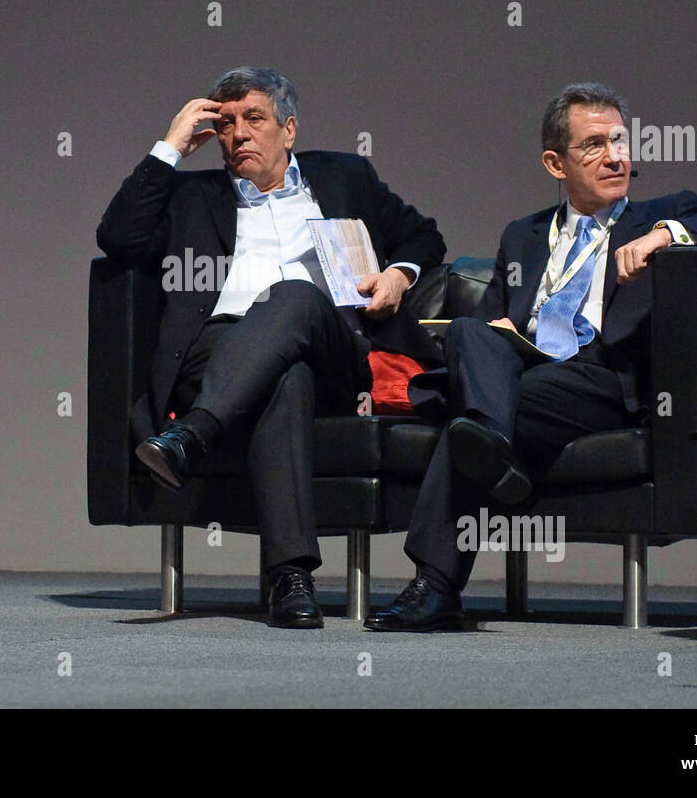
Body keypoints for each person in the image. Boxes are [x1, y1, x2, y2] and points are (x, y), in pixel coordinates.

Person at [364, 82, 697, 631]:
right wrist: (498, 329)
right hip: (525, 372)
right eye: (594, 144)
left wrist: (665, 236)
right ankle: (490, 439)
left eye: (620, 141)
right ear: (556, 163)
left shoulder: (663, 212)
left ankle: (437, 581)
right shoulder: (522, 235)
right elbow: (497, 325)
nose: (615, 156)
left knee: (471, 421)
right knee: (468, 335)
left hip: (600, 376)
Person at [97, 67, 444, 628]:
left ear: (289, 129)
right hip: (217, 351)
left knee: (294, 296)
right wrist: (170, 146)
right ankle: (291, 578)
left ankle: (193, 435)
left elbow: (423, 234)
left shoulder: (345, 176)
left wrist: (399, 275)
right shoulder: (192, 195)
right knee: (286, 379)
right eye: (226, 123)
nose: (238, 135)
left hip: (336, 347)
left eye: (254, 120)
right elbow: (116, 239)